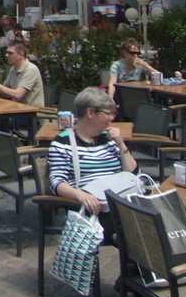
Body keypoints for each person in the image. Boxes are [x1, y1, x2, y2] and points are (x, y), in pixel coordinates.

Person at [47, 87, 136, 238]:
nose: (112, 118)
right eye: (107, 113)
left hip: (121, 201)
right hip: (94, 211)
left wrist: (121, 145)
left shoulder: (109, 139)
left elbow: (132, 173)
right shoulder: (63, 143)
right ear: (90, 113)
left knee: (154, 219)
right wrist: (79, 195)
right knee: (140, 229)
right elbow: (56, 182)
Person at [0, 40, 45, 108]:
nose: (6, 55)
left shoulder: (30, 69)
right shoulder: (14, 69)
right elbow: (3, 92)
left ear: (21, 55)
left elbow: (18, 95)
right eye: (6, 53)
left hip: (31, 115)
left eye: (10, 53)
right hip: (16, 111)